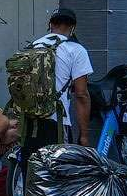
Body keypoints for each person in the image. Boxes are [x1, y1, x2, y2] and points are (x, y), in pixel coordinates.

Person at [20, 8, 93, 165]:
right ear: (72, 27)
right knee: (58, 171)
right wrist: (84, 136)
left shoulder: (32, 46)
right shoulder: (76, 50)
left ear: (50, 25)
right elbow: (81, 94)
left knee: (31, 169)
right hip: (57, 122)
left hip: (28, 122)